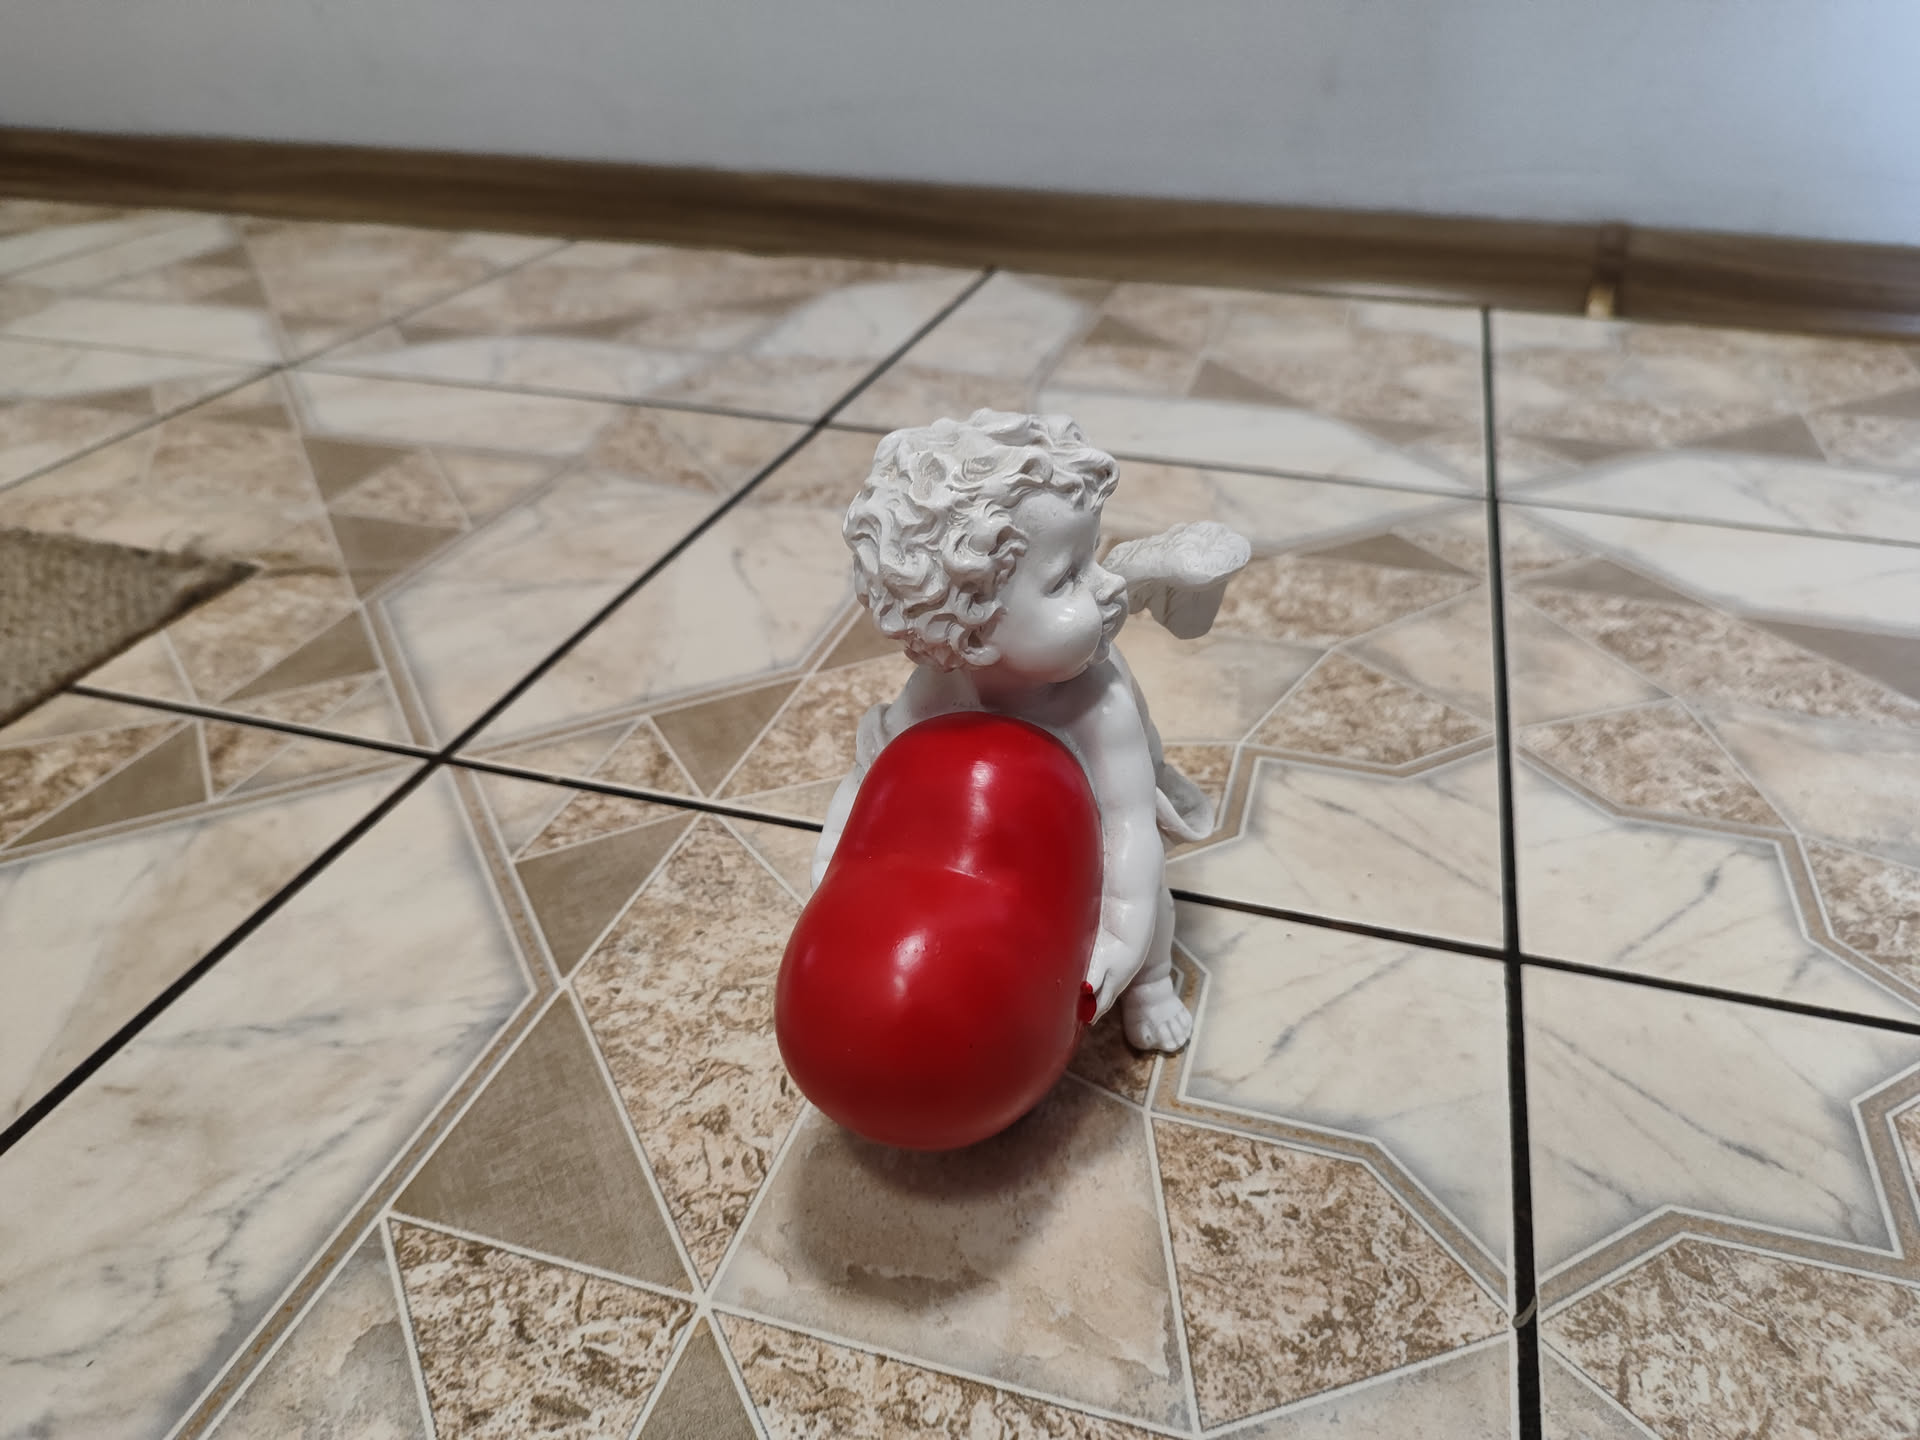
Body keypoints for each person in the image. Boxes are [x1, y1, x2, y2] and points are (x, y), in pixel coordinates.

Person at [811, 410, 1235, 1052]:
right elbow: (869, 788)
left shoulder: (1099, 700)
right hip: (1008, 841)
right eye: (1068, 577)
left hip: (1093, 807)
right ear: (971, 621)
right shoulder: (936, 691)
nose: (1105, 587)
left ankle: (1151, 984)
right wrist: (834, 879)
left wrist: (1120, 939)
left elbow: (1128, 829)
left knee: (1143, 883)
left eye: (1092, 557)